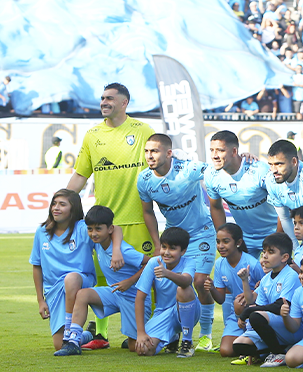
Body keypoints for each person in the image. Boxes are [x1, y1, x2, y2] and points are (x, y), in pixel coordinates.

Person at [66, 82, 153, 345]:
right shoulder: (93, 134)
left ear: (124, 103)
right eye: (102, 98)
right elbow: (81, 174)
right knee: (102, 278)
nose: (104, 102)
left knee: (144, 277)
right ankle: (101, 334)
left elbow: (156, 161)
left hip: (137, 219)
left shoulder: (142, 130)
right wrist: (63, 204)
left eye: (110, 98)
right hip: (104, 223)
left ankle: (142, 332)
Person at [136, 133, 216, 350]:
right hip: (174, 239)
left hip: (202, 233)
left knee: (198, 281)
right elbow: (148, 212)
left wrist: (243, 160)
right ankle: (172, 333)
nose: (149, 156)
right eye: (146, 151)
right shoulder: (144, 180)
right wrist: (156, 243)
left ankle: (205, 336)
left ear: (169, 153)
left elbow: (215, 169)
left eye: (154, 151)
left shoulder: (187, 169)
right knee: (172, 285)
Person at [53, 205, 148, 355]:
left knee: (135, 347)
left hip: (134, 299)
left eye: (98, 229)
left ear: (109, 229)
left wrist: (130, 281)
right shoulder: (98, 244)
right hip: (115, 293)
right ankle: (73, 341)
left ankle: (169, 333)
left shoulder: (124, 251)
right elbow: (115, 228)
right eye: (90, 229)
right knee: (83, 294)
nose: (93, 233)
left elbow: (152, 263)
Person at [29, 189, 95, 352]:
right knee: (58, 345)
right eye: (54, 204)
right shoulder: (42, 231)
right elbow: (37, 266)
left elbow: (111, 231)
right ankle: (87, 335)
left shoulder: (83, 228)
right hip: (54, 290)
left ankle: (69, 331)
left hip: (81, 281)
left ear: (73, 209)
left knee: (71, 278)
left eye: (62, 204)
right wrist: (40, 300)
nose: (56, 208)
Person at [205, 129, 279, 258]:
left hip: (272, 233)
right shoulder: (211, 175)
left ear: (234, 151)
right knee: (240, 276)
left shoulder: (260, 171)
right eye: (212, 150)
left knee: (274, 277)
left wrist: (277, 237)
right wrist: (223, 236)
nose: (214, 155)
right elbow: (216, 207)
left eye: (220, 150)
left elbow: (283, 205)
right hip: (243, 238)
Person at [233, 232, 303, 363]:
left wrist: (248, 312)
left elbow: (280, 306)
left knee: (255, 315)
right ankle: (279, 349)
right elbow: (257, 305)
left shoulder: (290, 275)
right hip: (274, 326)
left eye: (271, 252)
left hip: (291, 327)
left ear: (284, 257)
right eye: (264, 251)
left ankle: (277, 353)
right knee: (238, 346)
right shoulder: (266, 278)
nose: (265, 256)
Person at [133, 226, 199, 357]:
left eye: (172, 248)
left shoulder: (189, 262)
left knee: (183, 290)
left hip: (188, 311)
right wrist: (141, 333)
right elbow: (140, 298)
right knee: (143, 350)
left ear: (183, 251)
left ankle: (187, 342)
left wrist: (166, 273)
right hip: (162, 313)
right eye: (164, 247)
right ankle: (172, 338)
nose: (166, 252)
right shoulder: (153, 263)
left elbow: (186, 281)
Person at [207, 223, 262, 359]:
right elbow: (220, 299)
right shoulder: (219, 263)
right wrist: (212, 288)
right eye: (218, 242)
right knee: (226, 351)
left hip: (256, 314)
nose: (221, 246)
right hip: (236, 315)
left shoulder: (252, 264)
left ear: (238, 242)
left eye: (226, 241)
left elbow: (267, 290)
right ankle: (246, 343)